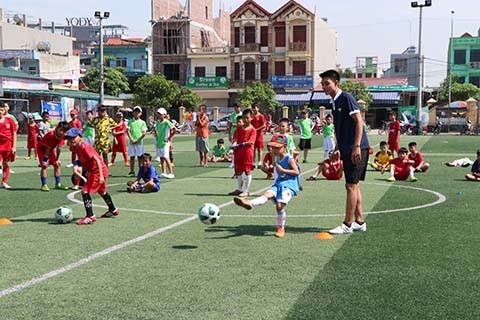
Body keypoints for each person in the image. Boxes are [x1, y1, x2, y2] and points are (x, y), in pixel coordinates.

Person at [320, 69, 370, 235]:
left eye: (327, 83)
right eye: (322, 83)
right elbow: (341, 128)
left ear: (336, 83)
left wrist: (356, 146)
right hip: (347, 148)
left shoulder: (346, 98)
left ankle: (347, 224)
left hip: (357, 148)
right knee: (354, 186)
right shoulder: (334, 102)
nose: (324, 86)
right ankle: (360, 221)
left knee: (350, 186)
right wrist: (337, 148)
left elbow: (359, 121)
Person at [234, 134, 299, 238]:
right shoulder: (276, 157)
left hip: (288, 185)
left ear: (285, 147)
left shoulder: (289, 159)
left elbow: (296, 172)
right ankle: (248, 203)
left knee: (279, 206)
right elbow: (275, 167)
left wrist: (283, 170)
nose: (275, 150)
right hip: (278, 184)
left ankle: (281, 228)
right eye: (273, 147)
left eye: (278, 148)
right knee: (266, 195)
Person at [64, 128, 120, 225]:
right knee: (102, 191)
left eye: (73, 137)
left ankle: (90, 216)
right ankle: (113, 209)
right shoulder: (75, 147)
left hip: (98, 171)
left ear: (80, 137)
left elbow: (97, 159)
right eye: (69, 138)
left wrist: (101, 176)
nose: (71, 140)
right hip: (95, 171)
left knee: (84, 191)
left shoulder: (85, 147)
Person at [228, 109, 256, 197]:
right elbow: (235, 138)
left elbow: (251, 142)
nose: (245, 120)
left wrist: (239, 144)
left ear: (251, 118)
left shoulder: (253, 130)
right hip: (238, 152)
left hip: (247, 152)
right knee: (238, 170)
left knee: (247, 171)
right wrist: (234, 145)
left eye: (247, 118)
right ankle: (240, 189)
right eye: (244, 118)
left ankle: (246, 191)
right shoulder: (239, 128)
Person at [37, 121, 70, 191]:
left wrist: (57, 159)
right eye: (61, 130)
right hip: (42, 149)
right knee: (44, 165)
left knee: (56, 165)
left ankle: (58, 184)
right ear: (57, 128)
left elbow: (59, 148)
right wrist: (45, 160)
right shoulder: (51, 135)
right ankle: (44, 185)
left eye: (64, 131)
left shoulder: (62, 136)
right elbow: (47, 148)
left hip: (50, 149)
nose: (62, 132)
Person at [126, 106, 148, 177]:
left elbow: (144, 133)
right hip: (131, 142)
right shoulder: (130, 121)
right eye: (135, 111)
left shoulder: (142, 122)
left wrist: (137, 140)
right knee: (132, 157)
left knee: (140, 158)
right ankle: (132, 171)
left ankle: (140, 172)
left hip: (139, 143)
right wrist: (131, 139)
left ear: (141, 113)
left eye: (138, 112)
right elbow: (128, 131)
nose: (136, 113)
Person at [154, 107, 175, 178]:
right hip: (159, 142)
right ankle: (164, 172)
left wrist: (169, 138)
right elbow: (156, 130)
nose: (159, 116)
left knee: (166, 157)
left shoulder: (166, 122)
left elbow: (174, 129)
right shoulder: (157, 123)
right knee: (161, 158)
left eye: (160, 114)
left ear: (164, 115)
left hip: (165, 143)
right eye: (158, 114)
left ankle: (171, 173)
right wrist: (156, 136)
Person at [0, 103, 17, 189]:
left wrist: (14, 146)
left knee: (6, 164)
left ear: (4, 110)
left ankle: (4, 182)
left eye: (1, 110)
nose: (0, 112)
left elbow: (14, 133)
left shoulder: (10, 120)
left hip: (7, 146)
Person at [251, 102, 266, 167]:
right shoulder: (251, 116)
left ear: (258, 108)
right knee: (253, 149)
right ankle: (253, 162)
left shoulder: (261, 116)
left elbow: (264, 125)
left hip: (259, 135)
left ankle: (260, 162)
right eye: (253, 108)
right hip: (253, 135)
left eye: (255, 108)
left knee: (259, 149)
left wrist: (256, 129)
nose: (254, 109)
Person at [228, 102, 242, 168]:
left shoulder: (242, 115)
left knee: (241, 149)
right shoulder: (232, 115)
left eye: (237, 107)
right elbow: (230, 125)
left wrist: (235, 125)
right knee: (234, 149)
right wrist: (229, 134)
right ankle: (233, 163)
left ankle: (240, 162)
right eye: (235, 108)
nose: (236, 109)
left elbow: (243, 125)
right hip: (234, 133)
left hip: (241, 134)